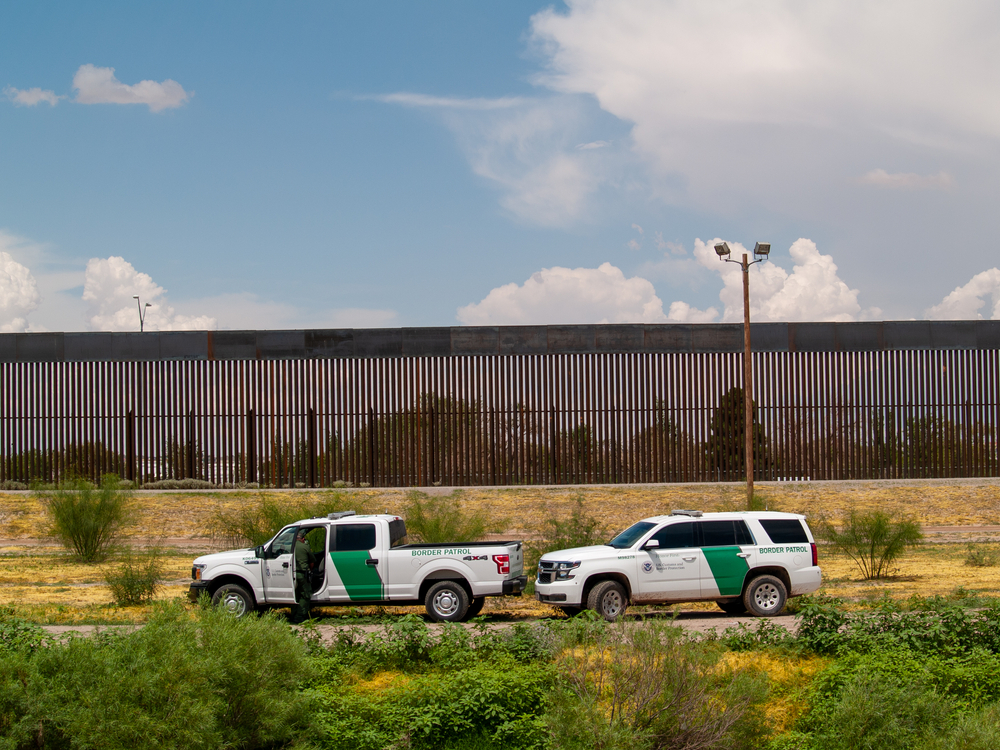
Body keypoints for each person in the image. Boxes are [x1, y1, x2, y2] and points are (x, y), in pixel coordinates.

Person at [290, 528, 314, 623]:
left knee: (295, 595)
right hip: (303, 574)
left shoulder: (290, 547)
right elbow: (312, 561)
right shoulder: (305, 547)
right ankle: (299, 617)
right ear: (303, 539)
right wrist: (310, 571)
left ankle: (293, 615)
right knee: (305, 595)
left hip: (292, 574)